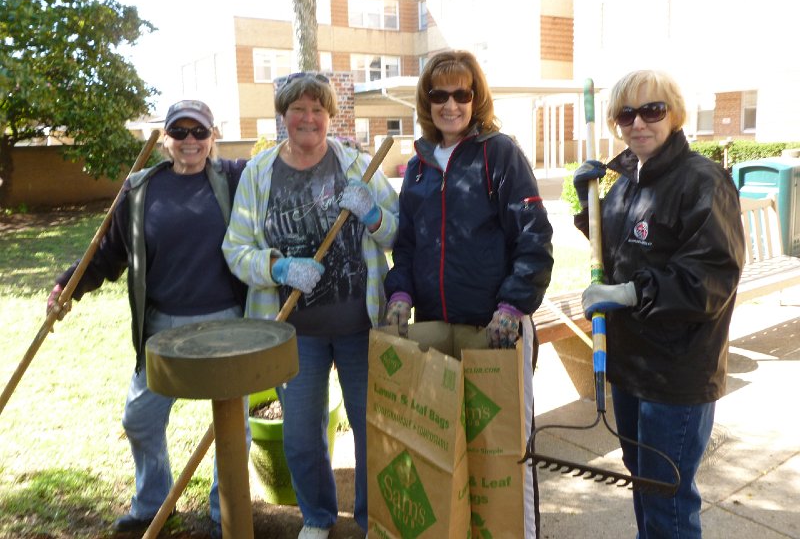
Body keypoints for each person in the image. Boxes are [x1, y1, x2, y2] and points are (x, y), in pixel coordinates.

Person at [46, 99, 248, 538]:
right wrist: (68, 286)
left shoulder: (235, 178)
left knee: (233, 426)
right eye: (180, 132)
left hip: (227, 323)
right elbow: (108, 253)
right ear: (164, 140)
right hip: (163, 326)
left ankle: (227, 513)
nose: (190, 141)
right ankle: (153, 502)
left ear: (213, 137)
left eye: (200, 132)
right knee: (140, 418)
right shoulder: (139, 189)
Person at [382, 50, 554, 538]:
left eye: (461, 93)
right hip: (437, 330)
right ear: (427, 101)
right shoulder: (418, 168)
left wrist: (513, 305)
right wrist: (400, 293)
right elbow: (408, 245)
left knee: (504, 454)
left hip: (493, 329)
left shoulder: (499, 154)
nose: (451, 104)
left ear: (476, 98)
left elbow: (534, 236)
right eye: (439, 95)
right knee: (444, 449)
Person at [222, 72, 399, 539]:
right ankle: (318, 517)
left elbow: (399, 232)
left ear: (329, 116)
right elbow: (235, 249)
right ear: (283, 116)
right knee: (301, 434)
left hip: (360, 325)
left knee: (371, 427)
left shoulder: (357, 165)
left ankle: (371, 519)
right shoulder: (259, 174)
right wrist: (277, 268)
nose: (308, 118)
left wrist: (373, 215)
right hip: (293, 331)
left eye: (317, 109)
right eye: (297, 109)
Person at [572, 69, 745, 538]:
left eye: (652, 110)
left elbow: (710, 279)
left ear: (674, 115)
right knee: (646, 487)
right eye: (626, 114)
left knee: (668, 502)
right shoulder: (628, 181)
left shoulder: (702, 182)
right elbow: (614, 254)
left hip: (677, 373)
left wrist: (631, 293)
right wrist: (590, 206)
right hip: (632, 366)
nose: (638, 123)